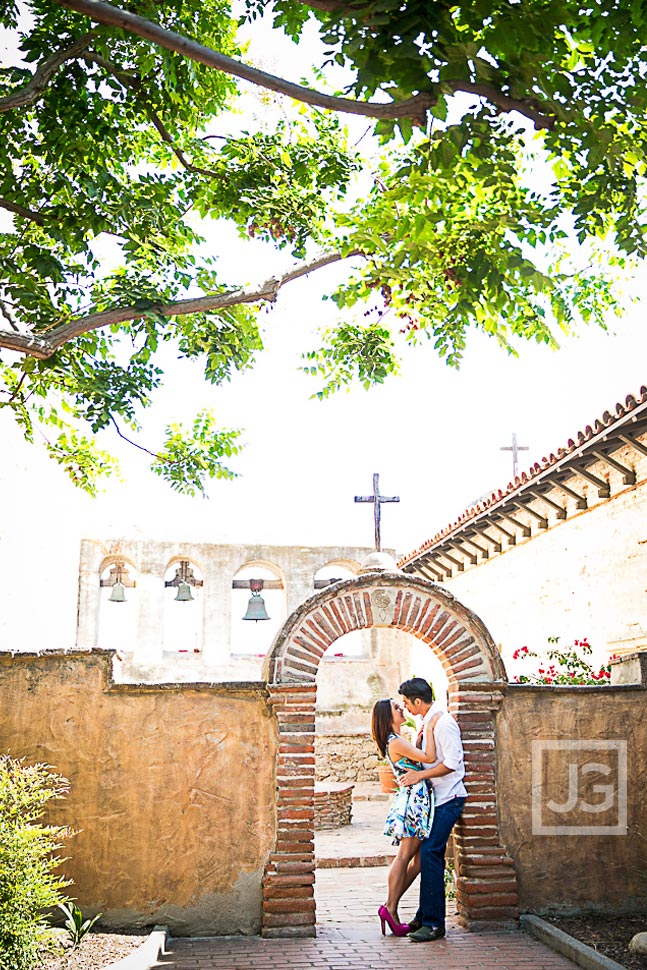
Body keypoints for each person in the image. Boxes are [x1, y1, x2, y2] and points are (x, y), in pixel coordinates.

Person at [398, 677, 467, 943]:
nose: (404, 707)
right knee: (426, 856)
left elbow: (453, 763)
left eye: (406, 702)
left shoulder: (444, 723)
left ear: (418, 701)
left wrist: (420, 776)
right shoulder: (428, 721)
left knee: (430, 854)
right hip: (435, 799)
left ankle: (435, 924)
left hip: (449, 798)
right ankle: (423, 916)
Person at [370, 697, 441, 937]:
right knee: (404, 856)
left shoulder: (398, 740)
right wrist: (430, 728)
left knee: (419, 860)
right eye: (396, 708)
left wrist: (420, 736)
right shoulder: (396, 741)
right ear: (387, 718)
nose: (402, 710)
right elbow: (429, 758)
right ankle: (390, 907)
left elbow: (417, 758)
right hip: (415, 800)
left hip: (418, 798)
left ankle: (390, 905)